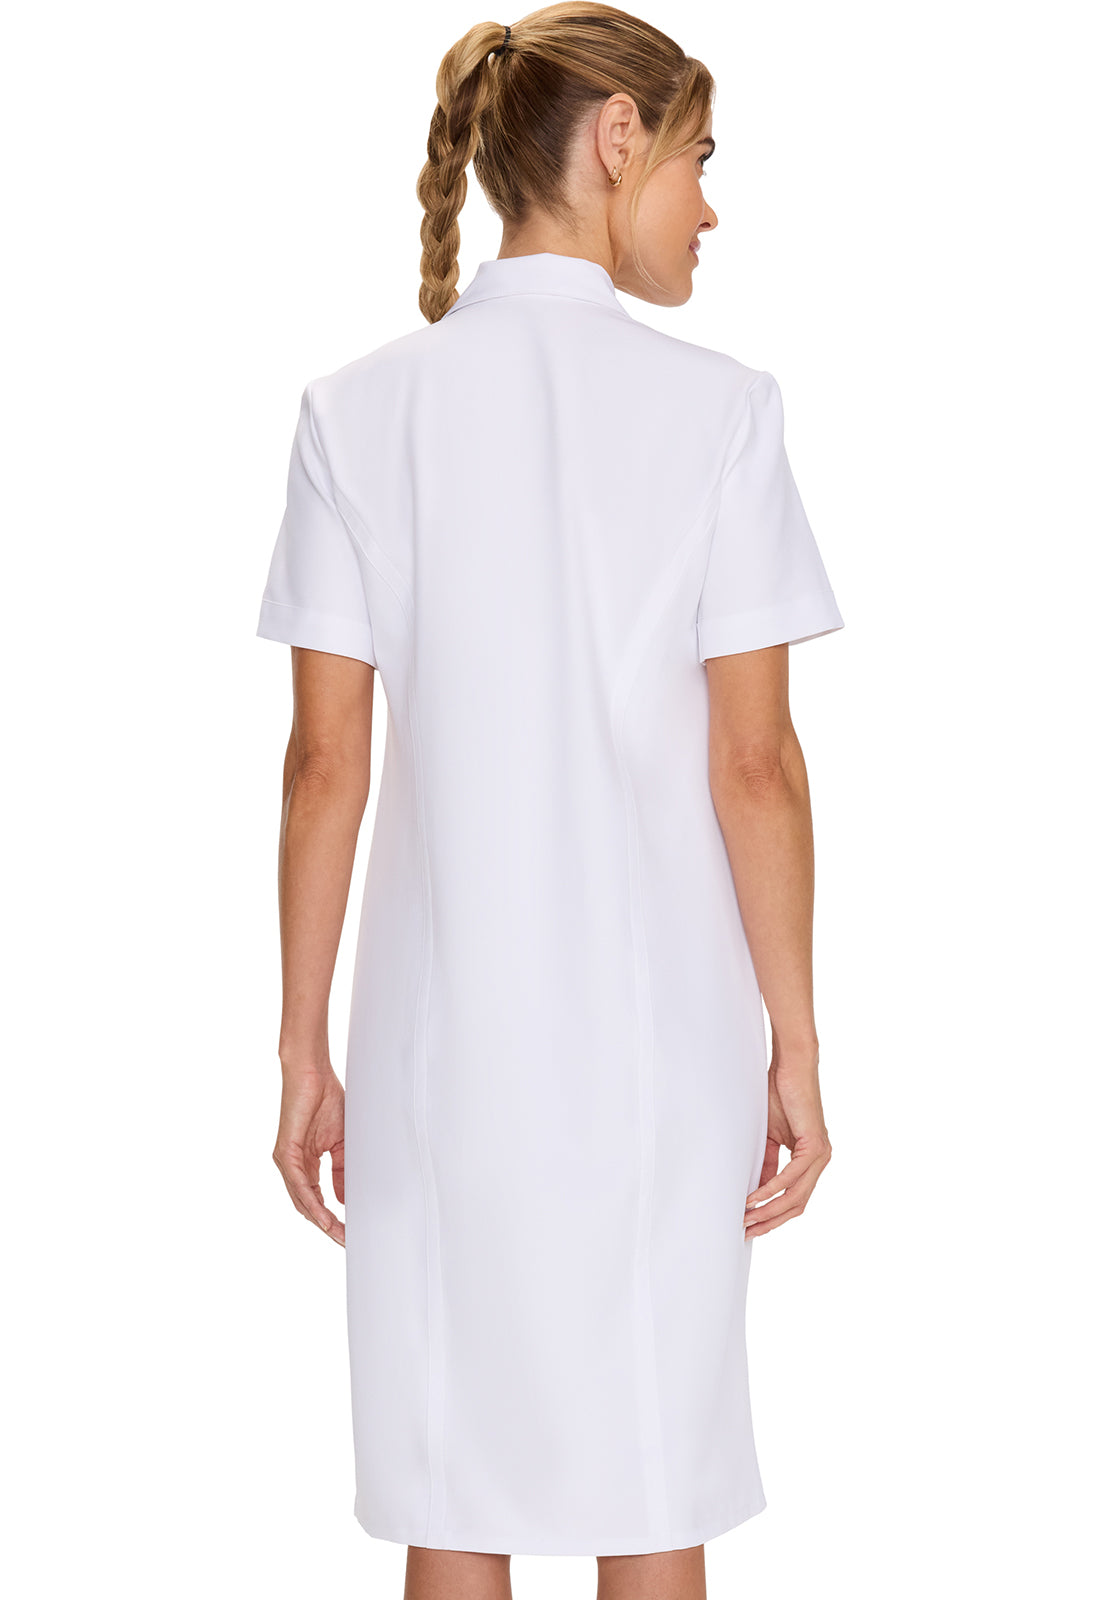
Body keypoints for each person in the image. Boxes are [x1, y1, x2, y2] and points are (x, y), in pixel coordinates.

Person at [255, 5, 844, 1597]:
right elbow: (755, 764)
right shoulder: (724, 413)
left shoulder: (354, 411)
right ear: (618, 141)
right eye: (702, 159)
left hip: (436, 1050)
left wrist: (303, 1048)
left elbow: (324, 765)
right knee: (653, 1481)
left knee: (454, 1481)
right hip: (663, 1053)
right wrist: (796, 1041)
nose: (711, 208)